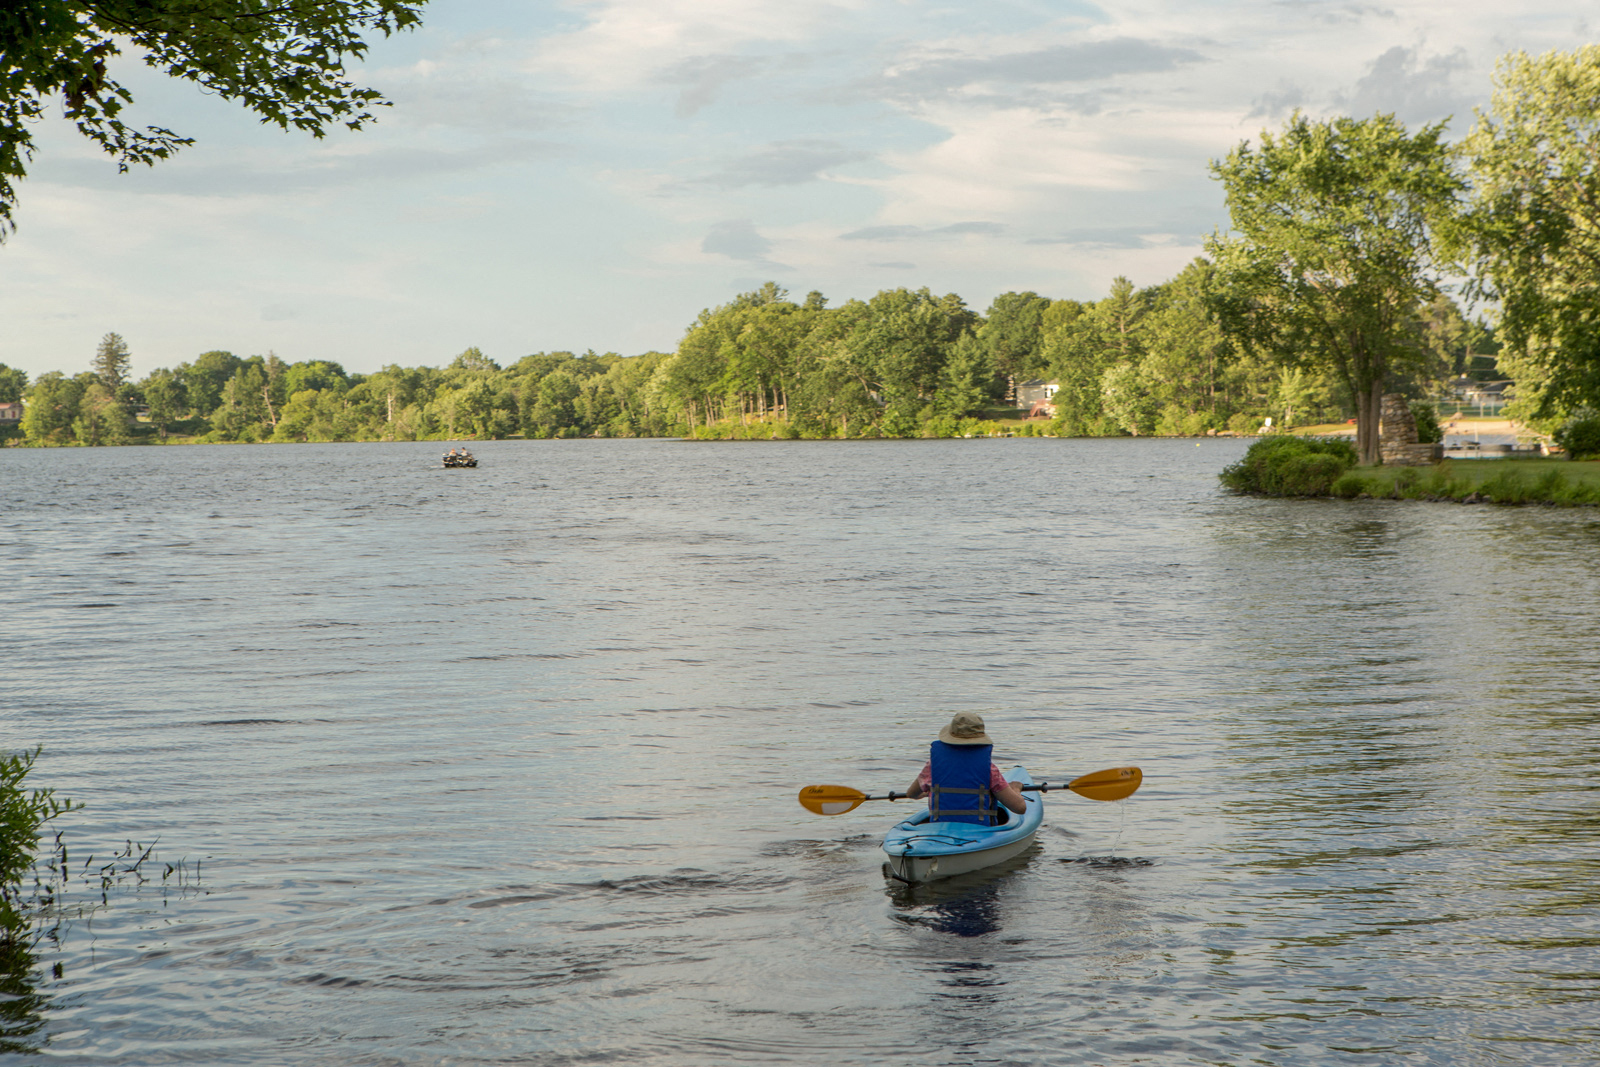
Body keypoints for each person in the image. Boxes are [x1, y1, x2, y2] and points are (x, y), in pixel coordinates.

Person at [904, 712, 1027, 825]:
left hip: (940, 828)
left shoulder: (933, 766)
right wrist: (1015, 789)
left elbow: (911, 793)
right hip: (978, 829)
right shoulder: (989, 770)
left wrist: (929, 792)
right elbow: (1020, 808)